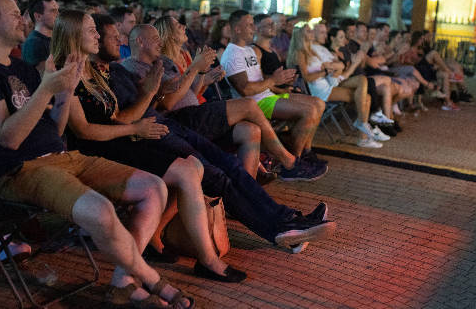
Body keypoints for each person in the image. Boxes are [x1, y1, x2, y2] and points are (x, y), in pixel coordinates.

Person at [0, 0, 195, 309]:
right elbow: (8, 139)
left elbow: (52, 131)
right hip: (21, 170)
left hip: (64, 157)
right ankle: (152, 281)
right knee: (101, 210)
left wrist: (65, 94)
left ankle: (124, 282)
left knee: (153, 187)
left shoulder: (21, 68)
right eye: (14, 13)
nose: (22, 19)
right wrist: (46, 89)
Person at [107, 24, 335, 253]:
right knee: (222, 170)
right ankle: (286, 192)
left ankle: (289, 221)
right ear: (140, 42)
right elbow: (155, 107)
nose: (160, 40)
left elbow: (173, 95)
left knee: (239, 152)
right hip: (166, 128)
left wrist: (196, 78)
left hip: (173, 126)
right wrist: (173, 81)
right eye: (154, 37)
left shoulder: (160, 63)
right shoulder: (125, 70)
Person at [56, 11, 246, 283]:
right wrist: (136, 128)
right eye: (92, 31)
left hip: (120, 140)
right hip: (98, 150)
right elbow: (84, 131)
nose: (98, 36)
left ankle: (158, 242)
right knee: (185, 171)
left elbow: (118, 117)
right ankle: (207, 259)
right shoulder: (69, 73)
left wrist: (150, 94)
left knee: (193, 164)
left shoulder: (95, 72)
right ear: (74, 35)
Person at [220, 10, 327, 179]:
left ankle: (305, 153)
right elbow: (245, 89)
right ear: (237, 29)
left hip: (267, 94)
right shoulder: (232, 54)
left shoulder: (248, 50)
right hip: (254, 104)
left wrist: (280, 84)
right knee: (309, 111)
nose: (253, 28)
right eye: (249, 24)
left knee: (318, 103)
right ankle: (293, 164)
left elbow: (260, 79)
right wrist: (274, 81)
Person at [295, 21, 387, 148]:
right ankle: (364, 130)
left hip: (330, 83)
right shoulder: (307, 51)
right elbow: (330, 71)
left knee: (366, 89)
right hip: (324, 88)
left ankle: (364, 128)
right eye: (321, 32)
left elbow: (338, 67)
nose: (325, 35)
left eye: (325, 32)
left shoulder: (317, 50)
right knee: (364, 88)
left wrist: (339, 66)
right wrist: (337, 67)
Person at [22, 0, 59, 71]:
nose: (58, 14)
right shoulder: (34, 43)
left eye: (57, 10)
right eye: (53, 11)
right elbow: (46, 78)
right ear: (38, 16)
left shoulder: (53, 39)